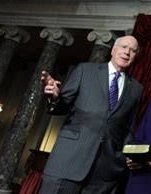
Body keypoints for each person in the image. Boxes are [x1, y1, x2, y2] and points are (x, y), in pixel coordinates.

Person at [40, 35, 143, 194]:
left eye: (133, 50)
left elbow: (128, 129)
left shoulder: (136, 88)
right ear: (113, 50)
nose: (127, 52)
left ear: (135, 56)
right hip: (68, 163)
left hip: (104, 175)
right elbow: (62, 106)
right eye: (123, 47)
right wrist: (55, 97)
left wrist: (123, 158)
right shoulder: (85, 70)